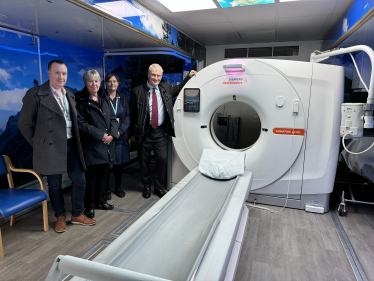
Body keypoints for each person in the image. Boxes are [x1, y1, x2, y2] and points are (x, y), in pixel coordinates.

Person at [18, 60, 96, 233]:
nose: (61, 77)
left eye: (64, 74)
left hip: (71, 144)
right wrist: (38, 144)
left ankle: (76, 214)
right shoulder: (35, 94)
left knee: (80, 180)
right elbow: (24, 124)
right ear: (49, 73)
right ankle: (60, 216)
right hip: (50, 147)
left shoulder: (69, 94)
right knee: (54, 185)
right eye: (57, 73)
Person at [129, 63, 197, 199]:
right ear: (148, 75)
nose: (156, 78)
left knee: (162, 159)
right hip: (144, 131)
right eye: (153, 75)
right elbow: (132, 113)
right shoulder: (137, 91)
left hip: (160, 132)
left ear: (161, 76)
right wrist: (132, 133)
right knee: (144, 160)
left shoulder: (165, 88)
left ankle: (159, 187)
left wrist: (188, 77)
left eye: (158, 75)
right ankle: (147, 186)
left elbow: (178, 89)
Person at [76, 69, 118, 219]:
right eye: (90, 81)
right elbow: (80, 123)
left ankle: (101, 201)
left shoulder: (104, 97)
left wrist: (112, 134)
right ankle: (90, 206)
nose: (94, 84)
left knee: (104, 175)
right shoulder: (80, 99)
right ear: (85, 83)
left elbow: (113, 117)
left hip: (107, 145)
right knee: (91, 178)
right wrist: (101, 135)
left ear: (100, 83)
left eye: (96, 81)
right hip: (92, 146)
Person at [104, 73, 130, 199]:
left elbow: (127, 117)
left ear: (118, 83)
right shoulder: (101, 97)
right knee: (105, 165)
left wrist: (119, 132)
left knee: (118, 165)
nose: (112, 84)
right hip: (105, 136)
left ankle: (118, 187)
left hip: (118, 136)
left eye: (114, 81)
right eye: (109, 81)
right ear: (105, 83)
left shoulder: (122, 98)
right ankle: (106, 189)